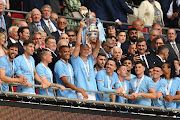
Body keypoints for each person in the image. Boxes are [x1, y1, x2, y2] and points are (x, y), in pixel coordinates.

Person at [71, 20, 101, 100]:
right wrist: (81, 28)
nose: (86, 50)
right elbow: (77, 44)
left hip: (93, 92)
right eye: (84, 49)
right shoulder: (76, 60)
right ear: (80, 50)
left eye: (88, 49)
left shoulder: (90, 60)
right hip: (82, 92)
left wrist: (99, 32)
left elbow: (97, 47)